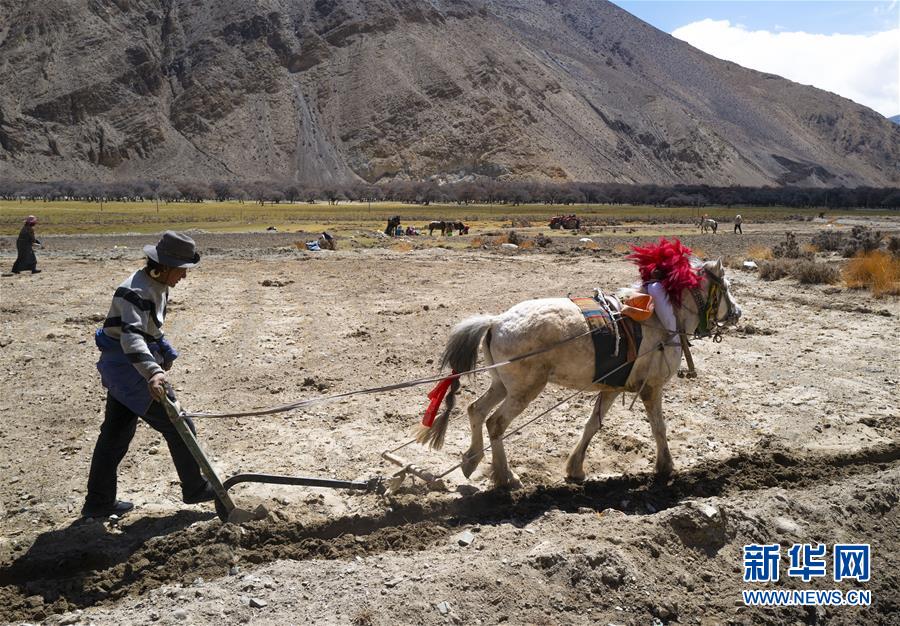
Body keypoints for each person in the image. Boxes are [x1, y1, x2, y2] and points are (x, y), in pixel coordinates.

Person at [81, 231, 215, 518]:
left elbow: (148, 329)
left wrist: (163, 349)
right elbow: (131, 338)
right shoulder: (135, 291)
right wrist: (153, 372)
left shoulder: (156, 284)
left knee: (115, 435)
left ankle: (98, 502)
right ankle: (195, 488)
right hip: (129, 370)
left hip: (124, 368)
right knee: (179, 425)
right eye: (181, 270)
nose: (184, 276)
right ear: (165, 266)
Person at [628, 238, 703, 349]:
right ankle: (675, 338)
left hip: (653, 286)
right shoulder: (656, 288)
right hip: (655, 288)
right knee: (669, 322)